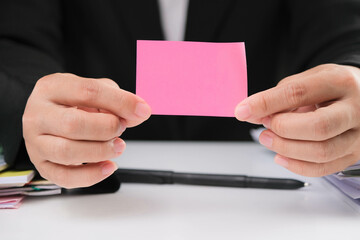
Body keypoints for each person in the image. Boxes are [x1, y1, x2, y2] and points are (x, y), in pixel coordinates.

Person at [0, 0, 360, 189]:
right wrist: (34, 102)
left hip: (268, 178)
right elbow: (14, 37)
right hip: (93, 184)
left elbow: (347, 28)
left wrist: (354, 75)